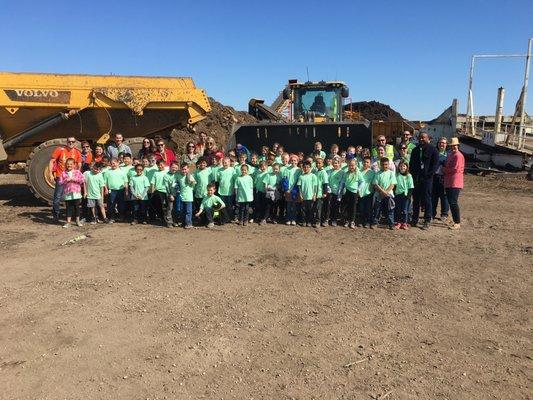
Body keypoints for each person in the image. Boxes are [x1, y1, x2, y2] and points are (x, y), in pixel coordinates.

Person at [410, 132, 439, 230]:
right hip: (416, 179)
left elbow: (435, 165)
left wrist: (428, 176)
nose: (421, 139)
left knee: (427, 200)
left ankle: (427, 219)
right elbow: (412, 164)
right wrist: (414, 176)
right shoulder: (415, 150)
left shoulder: (433, 150)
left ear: (427, 138)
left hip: (427, 180)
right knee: (416, 200)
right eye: (420, 138)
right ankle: (414, 218)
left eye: (423, 138)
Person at [49, 136, 82, 221]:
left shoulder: (77, 152)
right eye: (69, 141)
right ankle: (56, 215)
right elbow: (52, 161)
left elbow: (79, 164)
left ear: (75, 142)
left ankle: (72, 216)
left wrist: (77, 175)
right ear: (66, 142)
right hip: (61, 176)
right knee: (57, 197)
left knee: (73, 197)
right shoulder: (60, 150)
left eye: (73, 141)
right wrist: (50, 174)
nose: (71, 143)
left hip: (71, 179)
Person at [443, 137, 464, 230]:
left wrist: (444, 169)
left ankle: (457, 222)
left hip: (455, 182)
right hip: (449, 181)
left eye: (455, 145)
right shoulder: (452, 154)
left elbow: (456, 169)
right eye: (452, 146)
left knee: (453, 202)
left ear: (458, 145)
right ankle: (455, 220)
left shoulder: (458, 155)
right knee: (451, 202)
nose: (453, 147)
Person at [58, 158, 85, 228]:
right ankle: (68, 222)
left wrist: (74, 179)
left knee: (77, 207)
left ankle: (77, 221)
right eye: (67, 164)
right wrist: (66, 180)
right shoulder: (63, 173)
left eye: (71, 164)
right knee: (69, 208)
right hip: (68, 193)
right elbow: (60, 182)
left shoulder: (77, 172)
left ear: (74, 165)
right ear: (65, 165)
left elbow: (82, 180)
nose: (69, 165)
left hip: (76, 193)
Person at [371, 157, 396, 230]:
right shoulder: (378, 174)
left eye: (386, 164)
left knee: (390, 209)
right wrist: (382, 192)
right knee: (377, 209)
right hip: (379, 194)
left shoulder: (391, 173)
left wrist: (386, 192)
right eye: (383, 164)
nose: (385, 166)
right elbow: (375, 185)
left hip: (389, 194)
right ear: (380, 165)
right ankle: (375, 222)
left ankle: (391, 223)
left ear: (388, 164)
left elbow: (392, 184)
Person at [104, 157, 128, 223]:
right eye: (111, 163)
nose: (113, 165)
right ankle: (112, 217)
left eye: (114, 163)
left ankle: (121, 217)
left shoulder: (122, 172)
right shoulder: (107, 172)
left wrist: (126, 190)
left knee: (121, 204)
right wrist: (106, 189)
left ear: (118, 163)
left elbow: (125, 182)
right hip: (111, 190)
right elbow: (104, 182)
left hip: (121, 190)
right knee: (111, 204)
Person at [342, 159, 363, 229]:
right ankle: (347, 220)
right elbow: (343, 182)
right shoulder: (346, 173)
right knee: (346, 206)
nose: (351, 167)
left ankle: (352, 221)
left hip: (354, 192)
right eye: (350, 165)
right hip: (347, 191)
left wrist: (358, 189)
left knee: (353, 207)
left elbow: (362, 181)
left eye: (353, 165)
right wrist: (343, 189)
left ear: (356, 165)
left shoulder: (358, 173)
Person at [432, 137, 449, 221]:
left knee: (444, 197)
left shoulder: (449, 155)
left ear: (446, 145)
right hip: (434, 177)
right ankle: (432, 213)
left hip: (444, 178)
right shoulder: (434, 153)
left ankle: (444, 214)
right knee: (433, 196)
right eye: (440, 142)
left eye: (443, 143)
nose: (441, 144)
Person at [297, 161, 318, 227]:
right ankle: (304, 221)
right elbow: (299, 187)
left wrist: (314, 195)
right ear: (302, 168)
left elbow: (315, 186)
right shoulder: (301, 176)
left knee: (310, 210)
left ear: (310, 168)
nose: (306, 168)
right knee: (303, 210)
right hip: (303, 197)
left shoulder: (313, 176)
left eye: (308, 167)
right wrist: (300, 195)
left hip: (311, 197)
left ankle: (309, 221)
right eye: (304, 167)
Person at [281, 154, 301, 226]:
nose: (293, 162)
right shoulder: (287, 169)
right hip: (288, 190)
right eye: (292, 160)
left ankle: (294, 219)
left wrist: (294, 189)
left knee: (295, 205)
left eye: (295, 160)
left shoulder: (299, 170)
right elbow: (285, 179)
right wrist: (287, 189)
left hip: (295, 190)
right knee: (288, 205)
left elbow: (299, 180)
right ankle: (288, 219)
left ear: (297, 161)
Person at [394, 160, 414, 230]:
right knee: (398, 209)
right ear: (399, 167)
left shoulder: (409, 176)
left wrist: (408, 196)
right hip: (398, 195)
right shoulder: (397, 175)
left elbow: (411, 187)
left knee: (405, 210)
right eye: (401, 166)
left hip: (405, 196)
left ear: (407, 167)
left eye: (404, 166)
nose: (402, 167)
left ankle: (405, 223)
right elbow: (394, 185)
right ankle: (398, 222)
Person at [177, 163, 196, 229]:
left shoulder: (190, 176)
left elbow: (194, 183)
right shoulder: (179, 176)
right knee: (182, 211)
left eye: (185, 169)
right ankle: (183, 223)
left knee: (188, 211)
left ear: (188, 169)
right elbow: (177, 183)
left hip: (189, 197)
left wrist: (191, 182)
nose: (184, 171)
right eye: (182, 169)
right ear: (180, 169)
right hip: (182, 197)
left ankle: (189, 223)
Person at [358, 156, 375, 228]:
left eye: (367, 162)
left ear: (370, 164)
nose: (365, 163)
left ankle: (368, 221)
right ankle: (362, 221)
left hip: (369, 193)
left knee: (368, 208)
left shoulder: (372, 172)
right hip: (361, 193)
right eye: (364, 162)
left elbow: (374, 183)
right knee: (361, 208)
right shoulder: (359, 171)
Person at [150, 159, 168, 224]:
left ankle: (168, 217)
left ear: (164, 164)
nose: (160, 166)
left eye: (161, 165)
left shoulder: (167, 171)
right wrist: (152, 192)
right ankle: (161, 217)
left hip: (167, 191)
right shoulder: (156, 173)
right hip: (159, 191)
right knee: (159, 205)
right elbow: (153, 183)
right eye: (158, 165)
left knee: (168, 205)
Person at [328, 157, 345, 226]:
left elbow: (342, 183)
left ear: (339, 164)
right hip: (330, 192)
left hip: (338, 193)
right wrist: (329, 189)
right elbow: (327, 181)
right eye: (334, 163)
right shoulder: (329, 171)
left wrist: (339, 192)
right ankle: (330, 219)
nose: (335, 164)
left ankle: (334, 220)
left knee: (336, 206)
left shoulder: (342, 172)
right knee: (330, 206)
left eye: (337, 163)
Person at [313, 158, 329, 227]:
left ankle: (318, 221)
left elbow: (325, 183)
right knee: (317, 207)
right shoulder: (316, 172)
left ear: (322, 164)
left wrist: (325, 193)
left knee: (319, 208)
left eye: (319, 163)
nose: (318, 164)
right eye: (317, 163)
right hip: (316, 193)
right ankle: (318, 219)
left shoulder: (323, 172)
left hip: (320, 193)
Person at [164, 161, 181, 227]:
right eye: (173, 167)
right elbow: (166, 187)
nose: (174, 169)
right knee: (170, 208)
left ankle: (176, 221)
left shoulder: (178, 174)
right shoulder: (166, 176)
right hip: (171, 194)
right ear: (170, 167)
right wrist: (170, 195)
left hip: (178, 194)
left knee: (177, 208)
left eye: (176, 167)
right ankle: (169, 222)